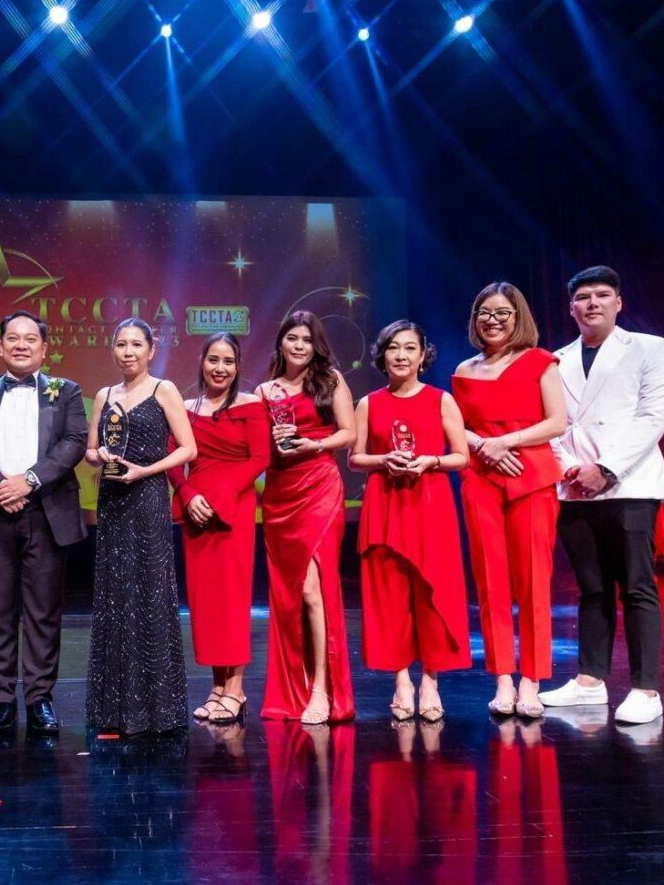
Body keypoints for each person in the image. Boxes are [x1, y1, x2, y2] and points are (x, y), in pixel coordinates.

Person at [541, 266, 664, 725]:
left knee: (636, 585)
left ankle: (645, 689)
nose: (592, 303)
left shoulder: (649, 348)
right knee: (591, 588)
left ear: (619, 303)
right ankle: (589, 681)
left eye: (602, 295)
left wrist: (605, 469)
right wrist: (569, 468)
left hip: (629, 482)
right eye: (583, 297)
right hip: (573, 485)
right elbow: (551, 424)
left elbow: (652, 417)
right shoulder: (555, 360)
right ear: (571, 308)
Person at [0, 311, 88, 735]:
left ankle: (39, 698)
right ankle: (0, 700)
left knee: (43, 612)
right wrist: (1, 486)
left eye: (30, 339)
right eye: (12, 338)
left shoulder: (66, 391)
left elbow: (74, 442)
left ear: (44, 349)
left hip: (46, 510)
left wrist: (28, 481)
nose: (21, 345)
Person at [452, 282, 568, 719]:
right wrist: (485, 447)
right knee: (490, 581)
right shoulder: (464, 369)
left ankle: (532, 680)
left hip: (530, 476)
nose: (493, 320)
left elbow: (557, 422)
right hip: (481, 477)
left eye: (502, 312)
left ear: (518, 316)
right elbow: (455, 426)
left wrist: (507, 442)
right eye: (484, 312)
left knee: (534, 581)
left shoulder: (540, 361)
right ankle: (503, 678)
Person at [349, 321, 470, 723]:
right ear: (382, 356)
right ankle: (402, 681)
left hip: (430, 505)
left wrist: (430, 461)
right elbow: (355, 458)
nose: (401, 355)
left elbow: (461, 456)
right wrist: (384, 460)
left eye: (409, 348)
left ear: (422, 355)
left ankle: (431, 681)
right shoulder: (368, 403)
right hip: (385, 505)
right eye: (393, 348)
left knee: (433, 594)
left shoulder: (441, 400)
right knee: (389, 597)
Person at [84, 317, 197, 734]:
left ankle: (157, 710)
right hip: (113, 499)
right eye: (121, 344)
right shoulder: (104, 395)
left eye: (136, 344)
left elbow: (188, 448)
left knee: (149, 591)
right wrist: (99, 456)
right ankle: (113, 709)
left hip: (147, 497)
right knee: (115, 595)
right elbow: (91, 449)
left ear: (151, 350)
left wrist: (144, 471)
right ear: (112, 349)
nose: (128, 352)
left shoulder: (163, 389)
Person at [256, 311, 357, 725]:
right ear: (281, 342)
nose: (299, 346)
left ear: (317, 346)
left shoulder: (330, 380)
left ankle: (322, 688)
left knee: (314, 589)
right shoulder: (265, 391)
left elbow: (349, 433)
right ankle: (294, 686)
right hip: (280, 496)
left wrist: (312, 444)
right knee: (289, 594)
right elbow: (258, 447)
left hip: (319, 488)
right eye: (292, 338)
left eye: (307, 340)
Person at [168, 333, 270, 725]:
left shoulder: (251, 405)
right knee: (206, 601)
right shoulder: (186, 408)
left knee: (232, 598)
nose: (220, 368)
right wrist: (187, 493)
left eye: (228, 361)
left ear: (238, 366)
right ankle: (216, 686)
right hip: (196, 509)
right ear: (202, 361)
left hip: (233, 508)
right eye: (214, 359)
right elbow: (172, 457)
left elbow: (259, 458)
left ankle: (236, 689)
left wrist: (220, 495)